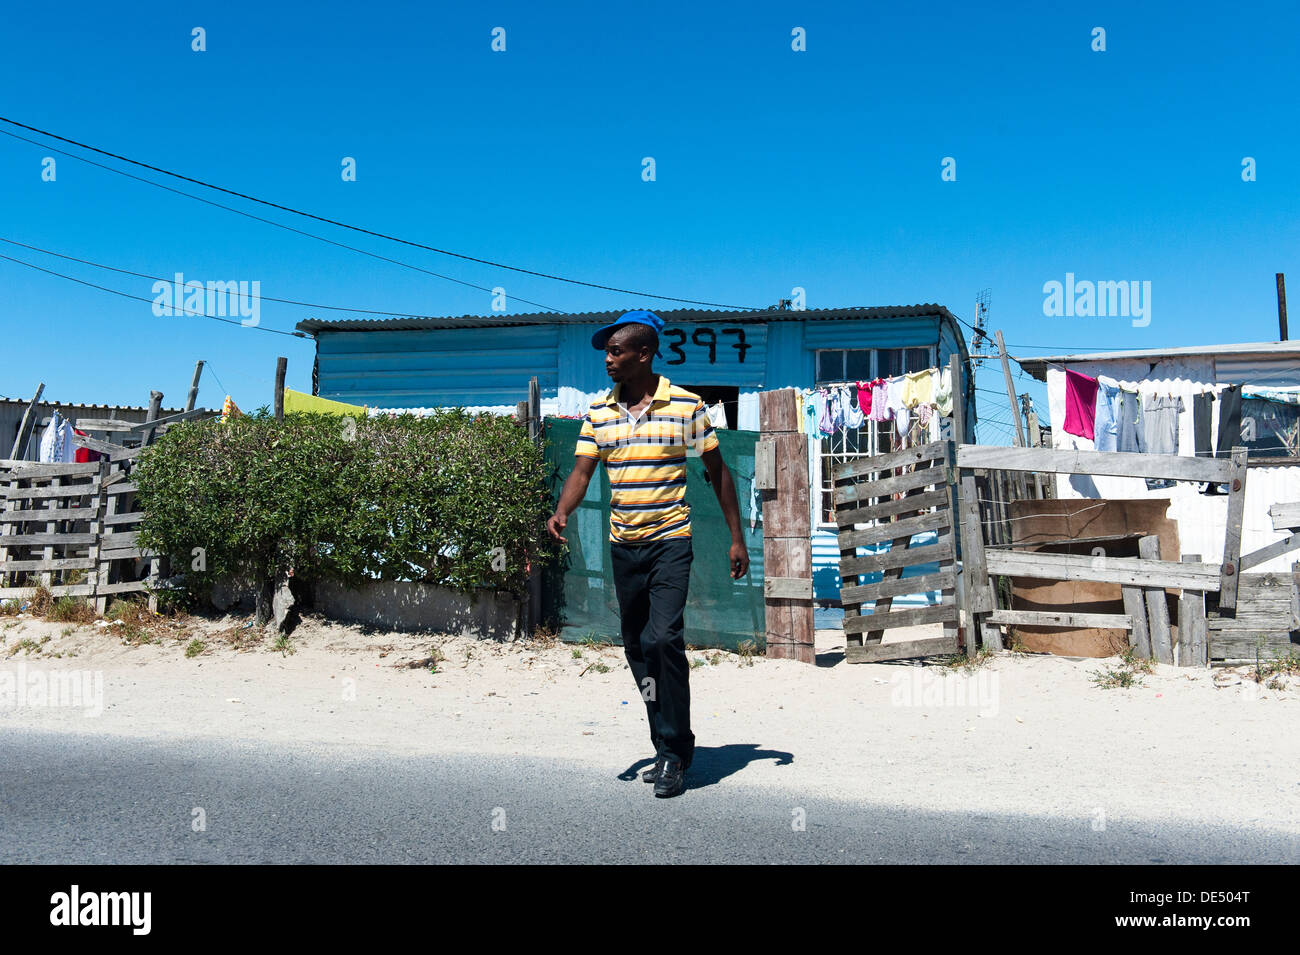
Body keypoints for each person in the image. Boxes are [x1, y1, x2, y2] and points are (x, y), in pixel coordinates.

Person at [546, 309, 749, 798]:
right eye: (606, 353)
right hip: (624, 545)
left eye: (616, 352)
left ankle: (678, 750)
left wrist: (736, 537)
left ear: (644, 353)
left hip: (670, 542)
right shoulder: (599, 413)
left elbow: (718, 471)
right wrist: (562, 511)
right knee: (636, 647)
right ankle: (661, 743)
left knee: (662, 640)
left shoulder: (686, 406)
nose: (608, 361)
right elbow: (581, 472)